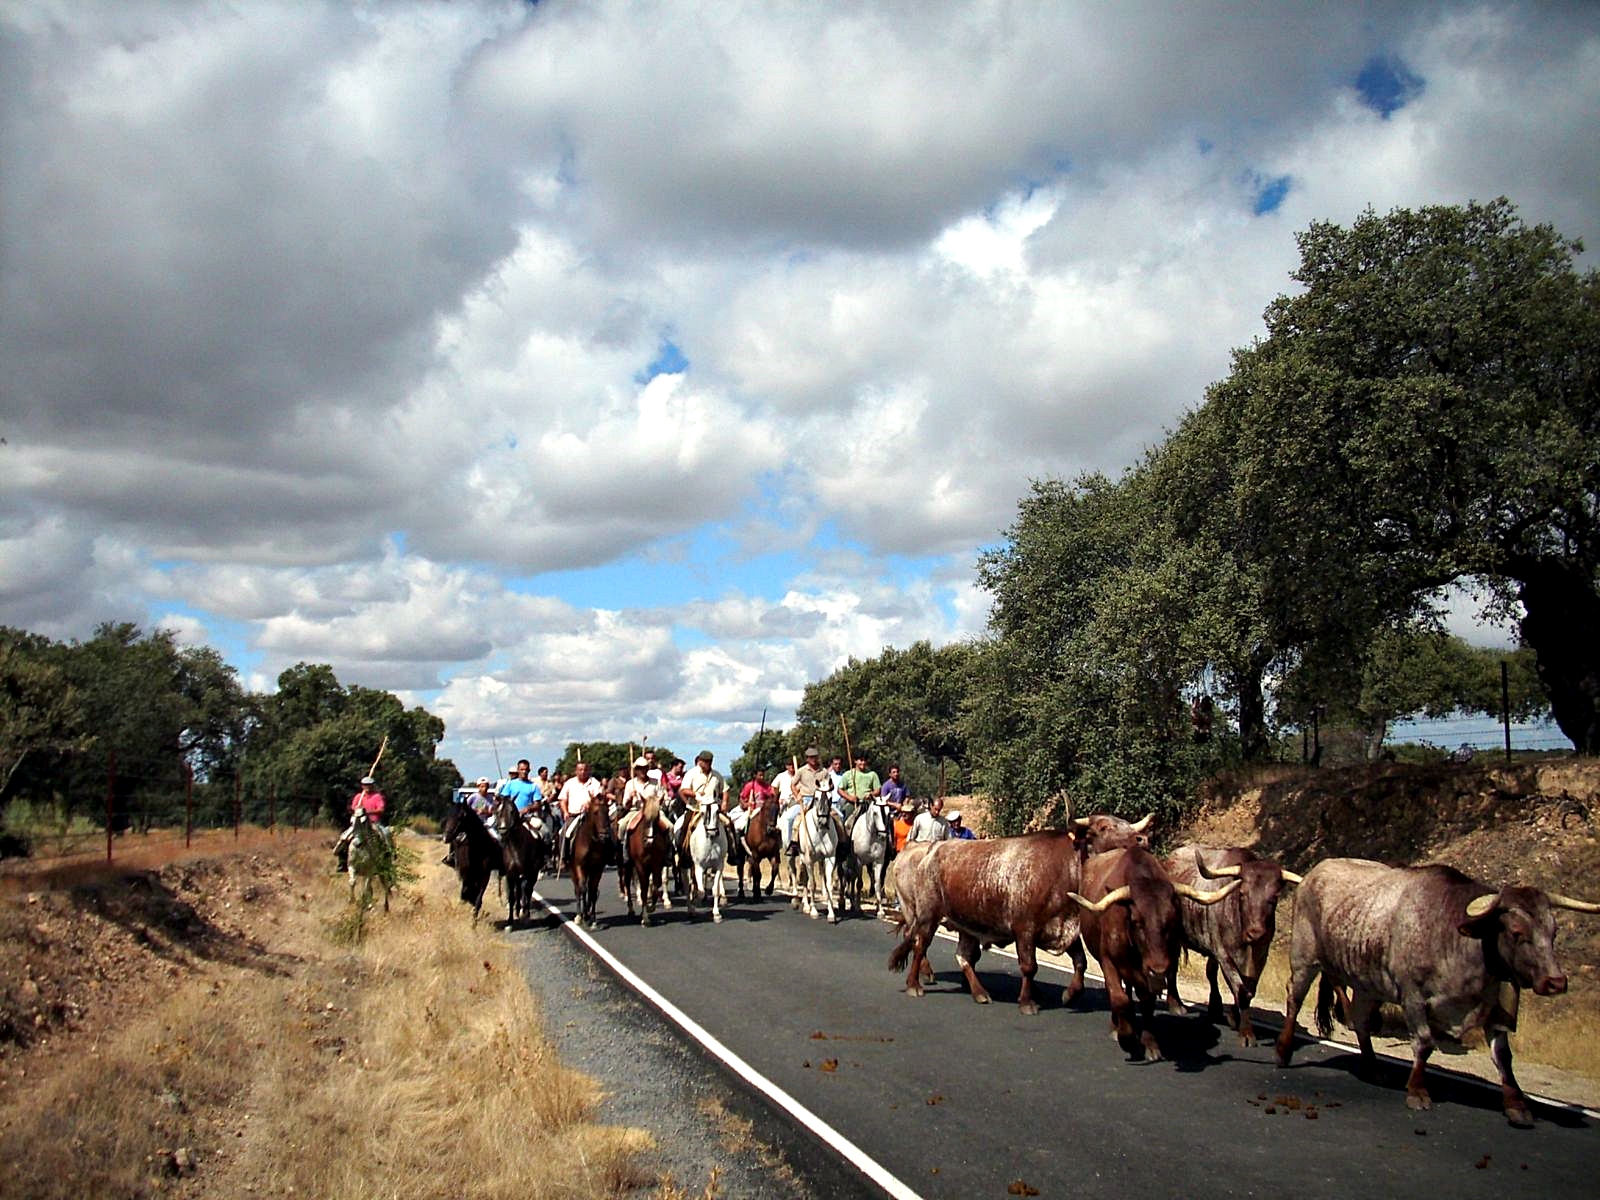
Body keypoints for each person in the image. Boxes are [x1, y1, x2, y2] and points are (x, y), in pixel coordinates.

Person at [334, 774, 388, 871]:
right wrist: (356, 810)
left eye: (369, 785)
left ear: (373, 785)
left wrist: (368, 812)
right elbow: (353, 808)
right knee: (344, 837)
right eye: (365, 785)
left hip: (373, 823)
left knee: (385, 834)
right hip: (358, 823)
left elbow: (381, 809)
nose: (367, 787)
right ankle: (342, 862)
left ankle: (387, 856)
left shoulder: (377, 796)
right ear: (362, 786)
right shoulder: (358, 797)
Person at [678, 750, 728, 851]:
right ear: (700, 761)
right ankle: (682, 852)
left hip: (714, 809)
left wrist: (724, 802)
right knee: (685, 827)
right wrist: (695, 794)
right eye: (705, 761)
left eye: (709, 761)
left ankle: (732, 852)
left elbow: (725, 789)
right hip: (695, 809)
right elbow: (684, 790)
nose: (707, 764)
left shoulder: (717, 775)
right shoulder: (691, 774)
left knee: (729, 825)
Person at [784, 747, 829, 859]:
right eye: (811, 757)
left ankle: (841, 843)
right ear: (807, 759)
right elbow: (793, 784)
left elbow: (829, 784)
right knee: (791, 818)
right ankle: (792, 844)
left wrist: (828, 789)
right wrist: (797, 796)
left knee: (838, 816)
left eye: (815, 757)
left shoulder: (823, 771)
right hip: (806, 799)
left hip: (821, 800)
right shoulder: (801, 771)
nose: (813, 759)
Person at [557, 760, 604, 865]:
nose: (583, 772)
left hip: (591, 816)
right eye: (580, 770)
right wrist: (565, 812)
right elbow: (563, 800)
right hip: (574, 815)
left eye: (585, 770)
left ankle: (609, 854)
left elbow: (599, 798)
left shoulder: (594, 782)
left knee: (606, 831)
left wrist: (590, 804)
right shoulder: (569, 783)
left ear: (589, 771)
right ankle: (563, 858)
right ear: (576, 771)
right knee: (563, 833)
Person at [840, 753, 881, 836]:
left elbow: (878, 790)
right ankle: (845, 842)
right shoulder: (848, 774)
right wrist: (850, 798)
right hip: (853, 804)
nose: (863, 763)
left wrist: (871, 794)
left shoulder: (872, 774)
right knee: (846, 822)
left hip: (868, 803)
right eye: (861, 760)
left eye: (865, 760)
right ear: (855, 761)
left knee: (881, 819)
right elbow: (840, 789)